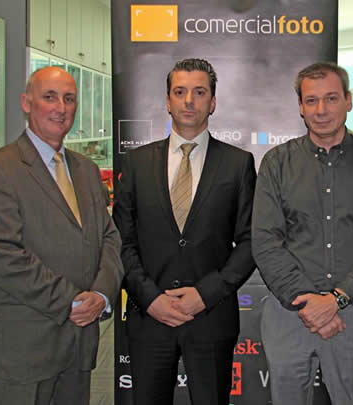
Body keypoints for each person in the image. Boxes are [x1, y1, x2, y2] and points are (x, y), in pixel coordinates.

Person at [0, 66, 125, 405]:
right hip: (23, 351)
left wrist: (101, 293)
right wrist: (72, 301)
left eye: (69, 99)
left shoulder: (86, 170)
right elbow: (5, 258)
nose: (61, 107)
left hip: (79, 346)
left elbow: (110, 239)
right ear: (27, 103)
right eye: (49, 97)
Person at [252, 62, 353, 404]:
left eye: (331, 99)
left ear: (348, 100)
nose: (321, 110)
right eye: (312, 101)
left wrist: (337, 299)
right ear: (300, 107)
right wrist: (308, 303)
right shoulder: (276, 163)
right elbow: (265, 241)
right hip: (290, 313)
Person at [113, 58, 256, 405]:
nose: (189, 100)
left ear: (213, 102)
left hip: (210, 317)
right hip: (150, 319)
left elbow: (252, 241)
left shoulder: (238, 164)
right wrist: (151, 299)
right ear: (167, 101)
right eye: (180, 92)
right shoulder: (135, 164)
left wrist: (206, 294)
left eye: (199, 92)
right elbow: (120, 241)